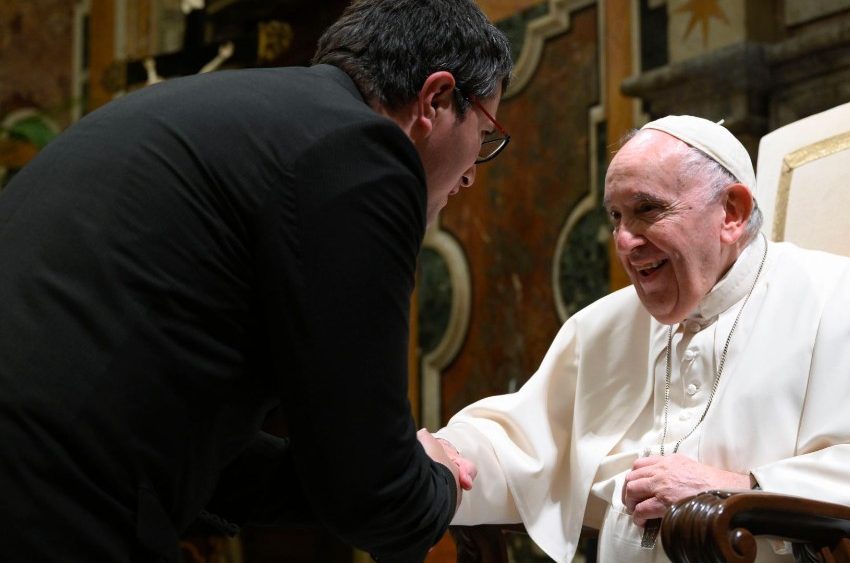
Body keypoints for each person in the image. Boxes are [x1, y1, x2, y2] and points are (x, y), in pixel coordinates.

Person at [0, 1, 511, 561]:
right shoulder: (362, 151)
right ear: (435, 101)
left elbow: (218, 457)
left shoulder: (222, 114)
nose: (468, 175)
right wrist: (435, 478)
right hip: (59, 504)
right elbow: (374, 491)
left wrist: (406, 472)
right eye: (485, 135)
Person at [435, 115, 850, 563]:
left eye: (647, 210)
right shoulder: (602, 327)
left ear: (732, 211)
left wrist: (745, 487)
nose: (626, 242)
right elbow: (522, 446)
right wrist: (442, 457)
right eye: (615, 217)